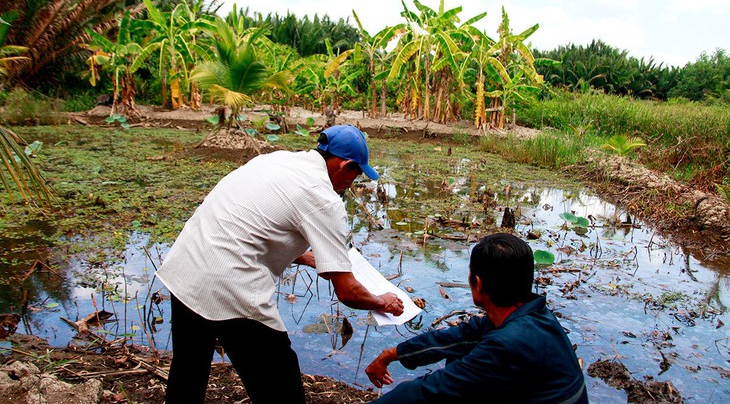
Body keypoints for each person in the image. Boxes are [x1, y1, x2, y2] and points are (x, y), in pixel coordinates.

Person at [156, 124, 404, 404]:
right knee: (281, 389)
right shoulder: (324, 199)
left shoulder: (275, 160)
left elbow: (249, 225)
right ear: (345, 166)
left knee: (188, 373)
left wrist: (308, 258)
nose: (352, 183)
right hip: (228, 285)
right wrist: (381, 302)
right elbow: (347, 292)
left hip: (186, 267)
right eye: (356, 174)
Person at [366, 233, 588, 403]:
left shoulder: (506, 344)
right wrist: (394, 354)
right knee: (457, 353)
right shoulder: (533, 315)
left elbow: (431, 391)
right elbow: (458, 337)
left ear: (478, 284)